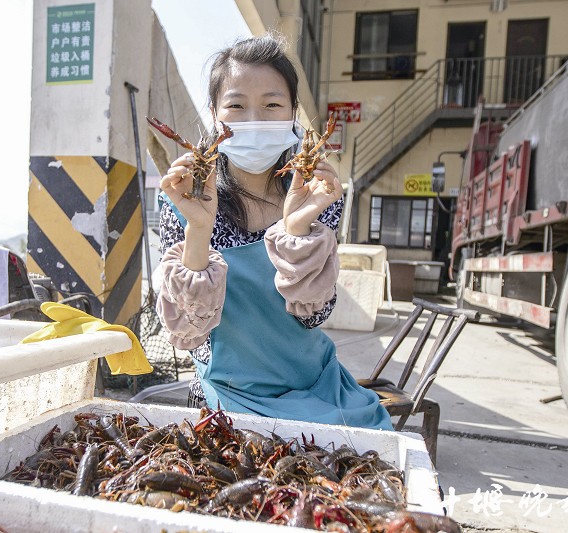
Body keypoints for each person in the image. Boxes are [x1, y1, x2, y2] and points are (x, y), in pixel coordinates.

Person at [156, 35, 392, 430]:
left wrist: (298, 229)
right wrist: (199, 229)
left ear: (292, 113)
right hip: (227, 393)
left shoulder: (318, 196)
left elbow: (315, 315)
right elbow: (186, 336)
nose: (254, 120)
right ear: (214, 113)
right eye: (236, 105)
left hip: (314, 384)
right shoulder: (180, 202)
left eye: (271, 105)